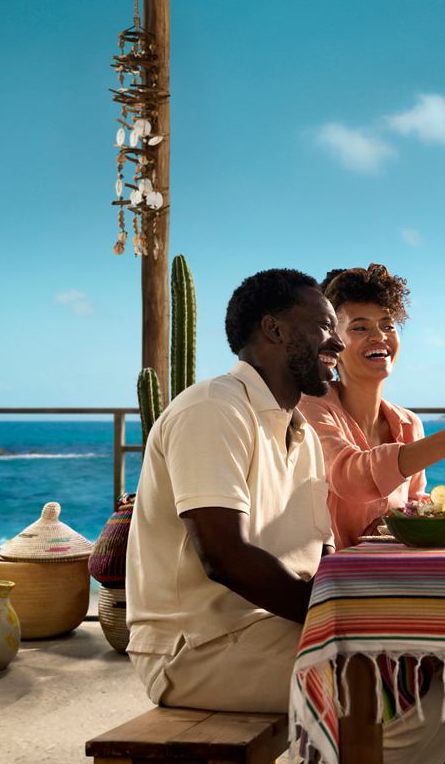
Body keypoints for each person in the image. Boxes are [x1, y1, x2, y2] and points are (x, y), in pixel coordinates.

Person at [126, 268, 342, 714]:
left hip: (271, 629)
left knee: (443, 658)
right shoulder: (214, 408)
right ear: (274, 328)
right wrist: (332, 620)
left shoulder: (301, 435)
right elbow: (223, 556)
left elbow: (321, 557)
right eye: (324, 326)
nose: (337, 344)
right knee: (384, 683)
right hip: (197, 649)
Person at [299, 262, 445, 548]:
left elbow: (412, 505)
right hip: (330, 578)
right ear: (333, 341)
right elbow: (350, 477)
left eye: (388, 325)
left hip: (392, 573)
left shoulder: (408, 424)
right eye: (360, 327)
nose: (380, 336)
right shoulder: (310, 408)